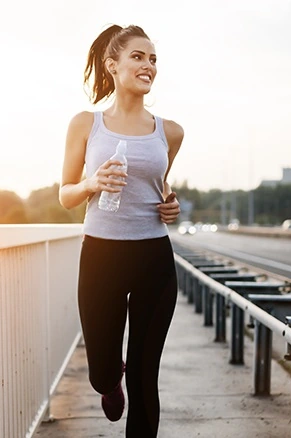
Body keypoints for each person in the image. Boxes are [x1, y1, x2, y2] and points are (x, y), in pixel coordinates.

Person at [58, 24, 184, 437]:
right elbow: (66, 195)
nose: (148, 66)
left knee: (145, 376)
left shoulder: (170, 131)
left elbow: (161, 187)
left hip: (153, 258)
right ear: (112, 65)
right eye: (138, 57)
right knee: (101, 370)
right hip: (101, 257)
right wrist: (92, 183)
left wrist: (171, 204)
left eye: (153, 60)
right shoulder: (86, 124)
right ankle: (108, 382)